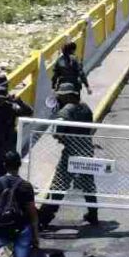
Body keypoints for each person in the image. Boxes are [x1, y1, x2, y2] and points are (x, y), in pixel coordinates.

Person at [38, 83, 99, 228]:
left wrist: (65, 139)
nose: (60, 99)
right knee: (88, 184)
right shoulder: (85, 107)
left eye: (61, 97)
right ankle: (93, 215)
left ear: (69, 96)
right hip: (87, 149)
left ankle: (44, 219)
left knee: (59, 184)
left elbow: (56, 133)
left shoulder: (66, 111)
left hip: (71, 152)